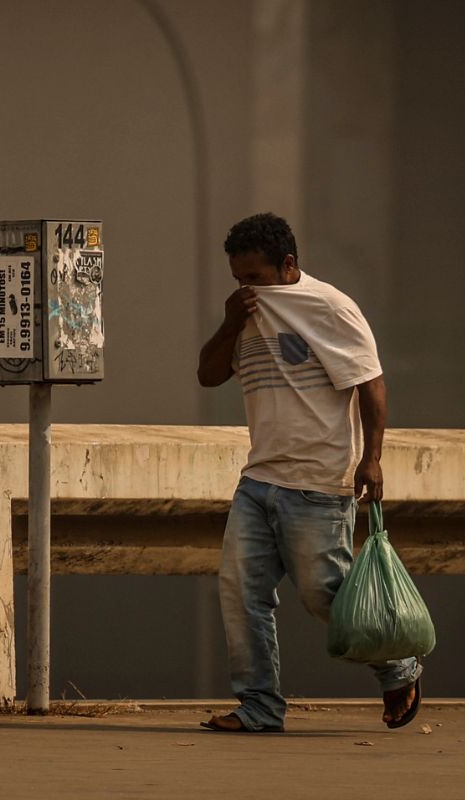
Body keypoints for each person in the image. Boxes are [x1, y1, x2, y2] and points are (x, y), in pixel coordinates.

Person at [195, 212, 422, 733]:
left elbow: (371, 383)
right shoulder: (245, 313)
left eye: (254, 277)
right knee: (240, 590)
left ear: (288, 265)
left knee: (324, 594)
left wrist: (372, 458)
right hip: (259, 480)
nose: (247, 288)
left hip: (318, 480)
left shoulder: (330, 307)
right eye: (237, 278)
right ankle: (259, 706)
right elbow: (208, 375)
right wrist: (231, 319)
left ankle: (398, 667)